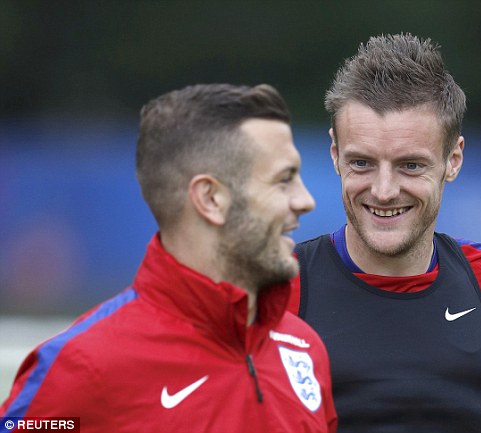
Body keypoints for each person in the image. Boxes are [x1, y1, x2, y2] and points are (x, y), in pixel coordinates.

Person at [1, 84, 338, 433]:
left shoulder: (304, 348)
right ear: (210, 199)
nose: (305, 200)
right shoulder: (83, 366)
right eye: (284, 180)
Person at [287, 34, 481, 433]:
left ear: (452, 160)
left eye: (411, 166)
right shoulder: (275, 290)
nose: (384, 190)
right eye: (362, 162)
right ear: (335, 155)